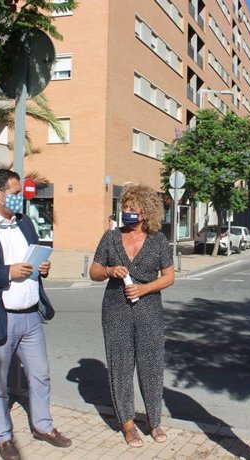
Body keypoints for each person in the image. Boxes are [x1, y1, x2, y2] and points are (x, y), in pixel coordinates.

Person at [0, 169, 71, 460]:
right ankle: (2, 437)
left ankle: (43, 426)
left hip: (31, 316)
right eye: (15, 193)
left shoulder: (25, 224)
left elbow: (35, 256)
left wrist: (43, 267)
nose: (20, 198)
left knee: (41, 375)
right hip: (0, 316)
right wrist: (6, 273)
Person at [89, 184, 175, 447]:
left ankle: (154, 421)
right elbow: (93, 272)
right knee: (120, 367)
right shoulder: (111, 238)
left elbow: (169, 277)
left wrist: (146, 287)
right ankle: (127, 424)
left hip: (149, 309)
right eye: (124, 207)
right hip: (115, 309)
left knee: (151, 366)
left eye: (132, 208)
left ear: (146, 212)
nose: (127, 212)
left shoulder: (158, 240)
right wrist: (109, 271)